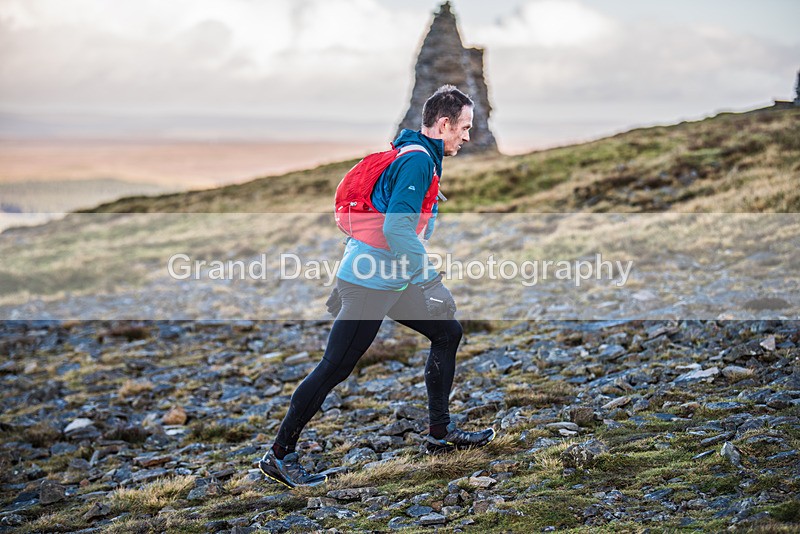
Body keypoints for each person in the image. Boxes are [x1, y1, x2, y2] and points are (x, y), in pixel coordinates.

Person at [259, 85, 495, 488]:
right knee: (335, 367)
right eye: (464, 128)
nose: (468, 136)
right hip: (372, 284)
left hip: (387, 278)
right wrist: (432, 282)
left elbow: (379, 219)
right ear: (443, 124)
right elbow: (396, 227)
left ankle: (440, 435)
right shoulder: (418, 162)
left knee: (447, 332)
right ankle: (279, 456)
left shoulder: (415, 155)